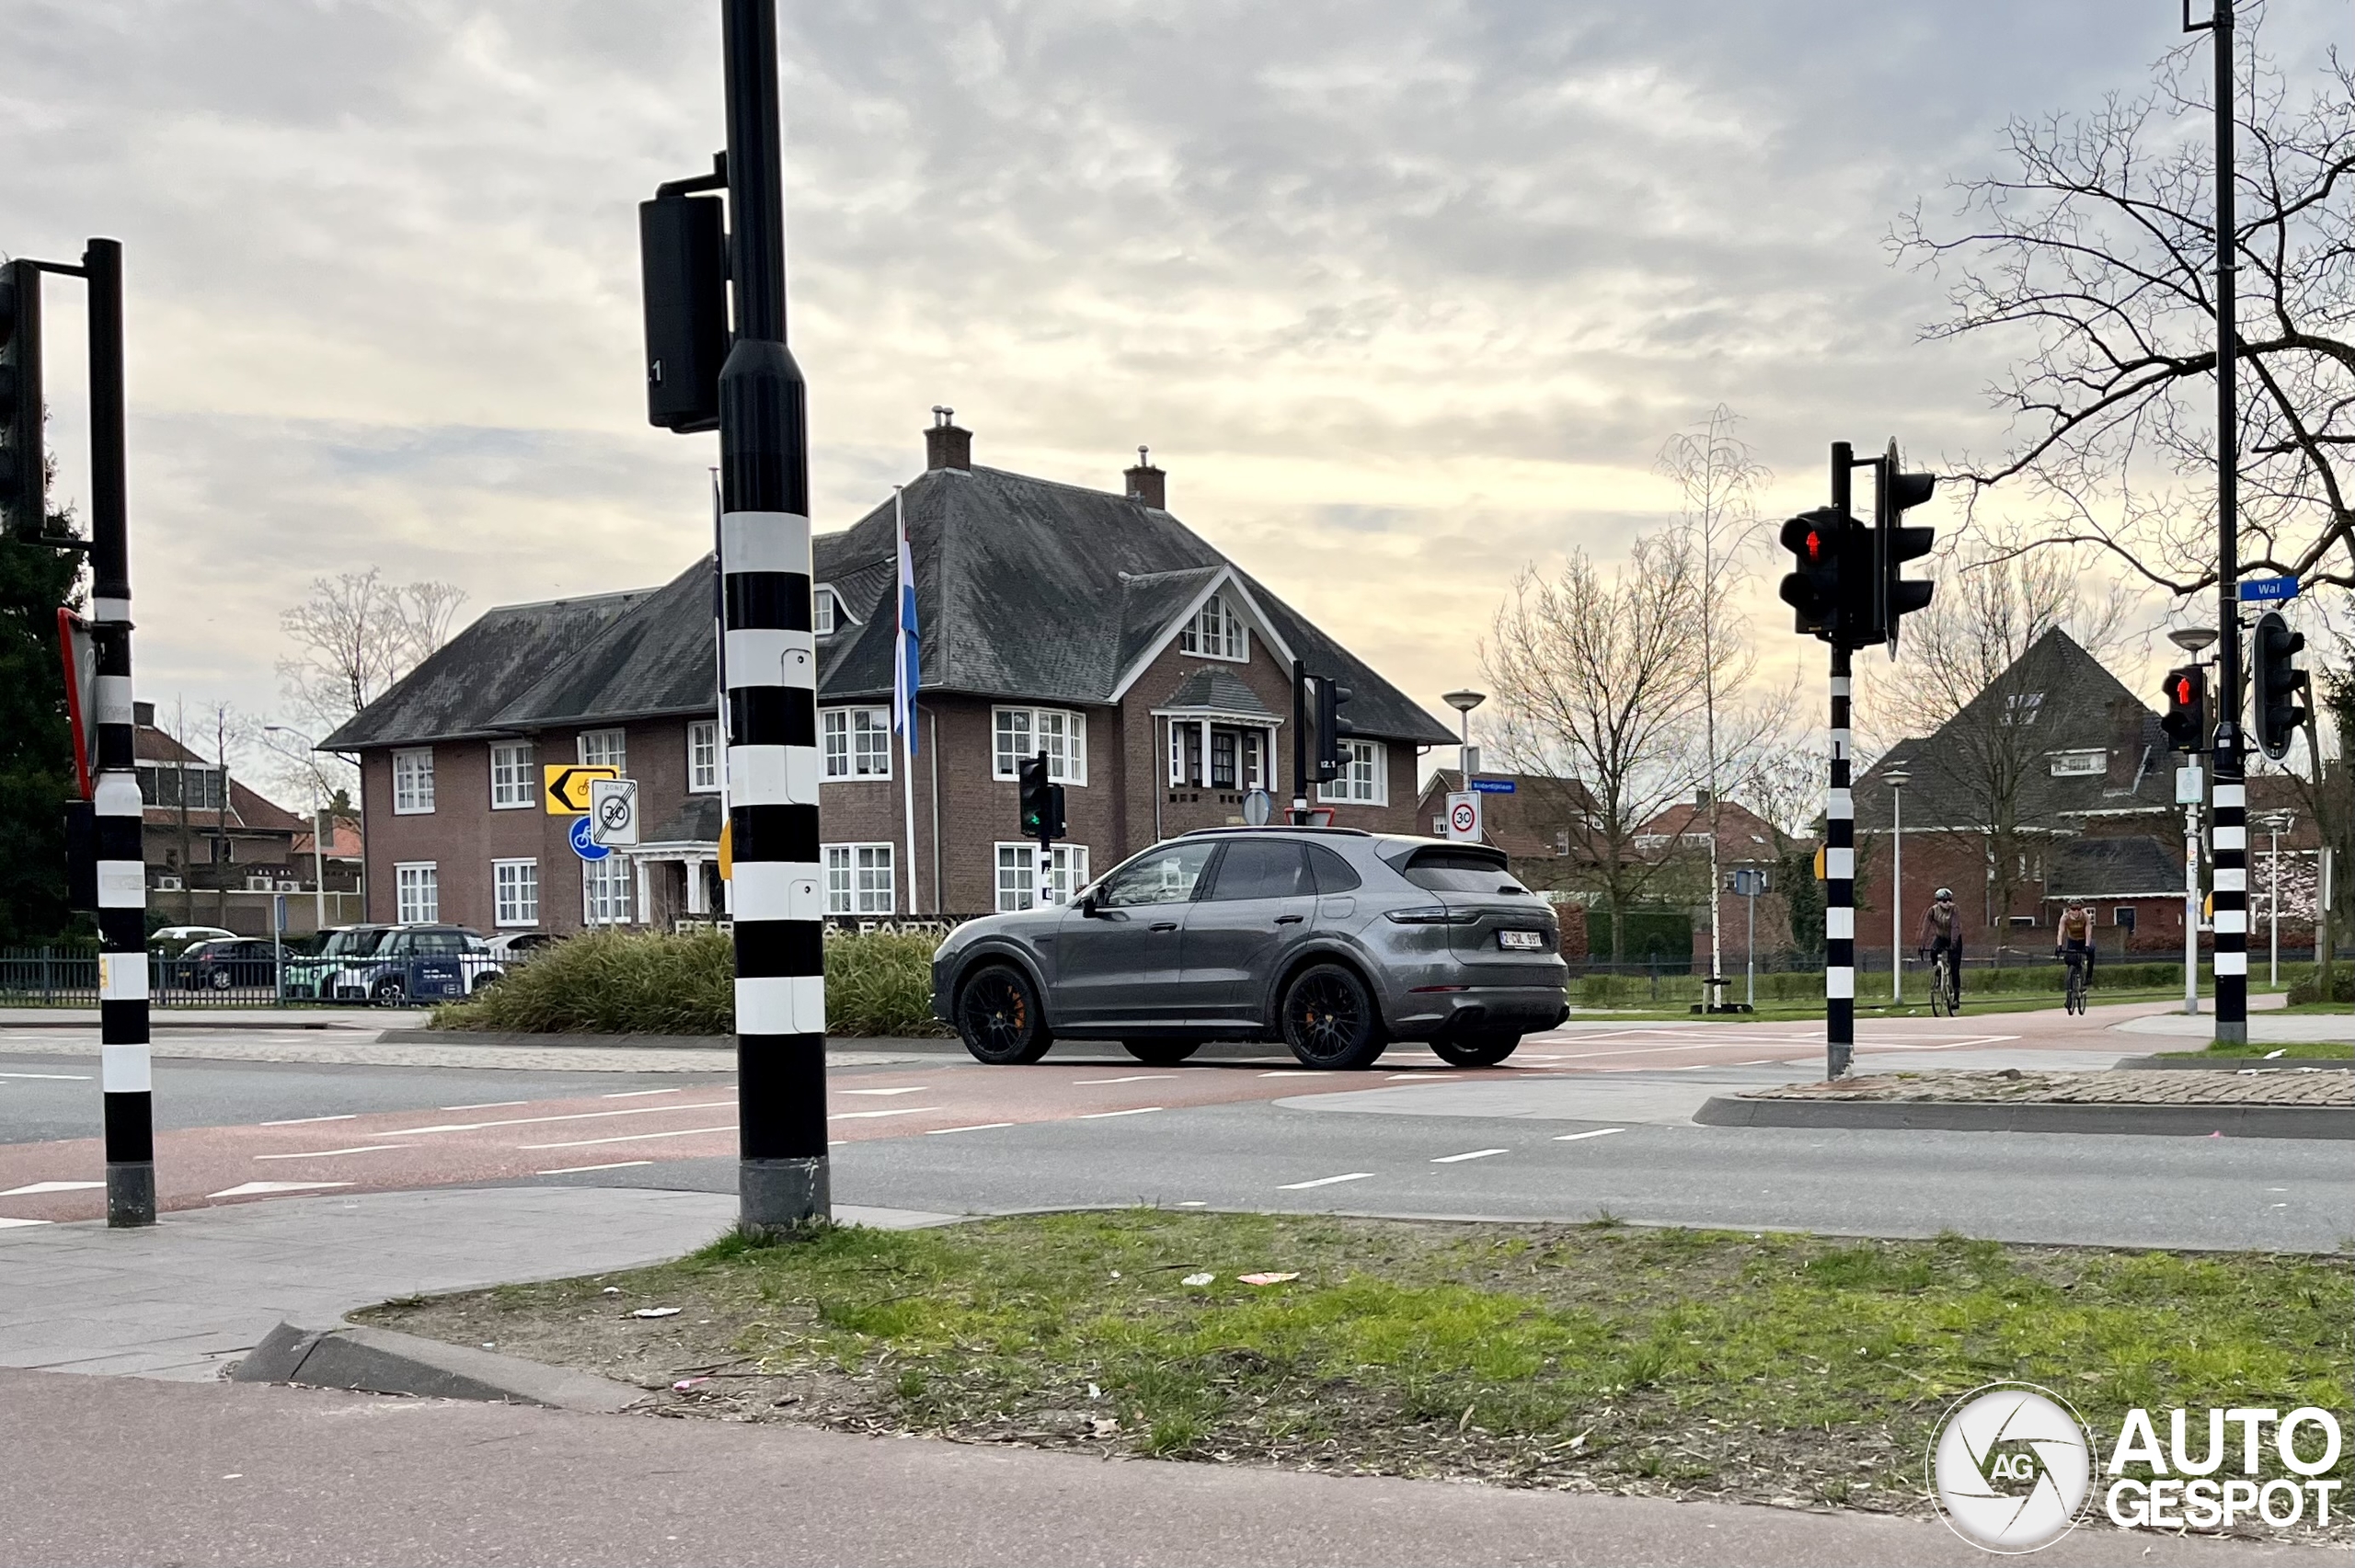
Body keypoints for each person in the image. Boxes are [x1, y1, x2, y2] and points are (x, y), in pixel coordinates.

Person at [1917, 887, 1962, 1009]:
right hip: (1941, 937)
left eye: (1949, 900)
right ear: (1938, 901)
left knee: (1954, 968)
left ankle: (1956, 998)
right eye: (1944, 900)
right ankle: (1937, 974)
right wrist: (1922, 945)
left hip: (1955, 938)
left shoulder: (1954, 909)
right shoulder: (1932, 911)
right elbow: (1925, 928)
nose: (1947, 903)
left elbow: (1955, 927)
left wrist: (1953, 944)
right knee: (1933, 951)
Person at [2056, 898, 2097, 993]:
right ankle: (2070, 990)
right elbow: (2060, 932)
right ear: (2070, 909)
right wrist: (2059, 945)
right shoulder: (2065, 918)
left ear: (2081, 909)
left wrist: (2087, 945)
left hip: (2084, 940)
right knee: (2070, 960)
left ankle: (2088, 978)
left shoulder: (2085, 917)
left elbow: (2088, 932)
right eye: (2073, 909)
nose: (2076, 911)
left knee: (2091, 953)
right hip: (2073, 940)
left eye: (2078, 909)